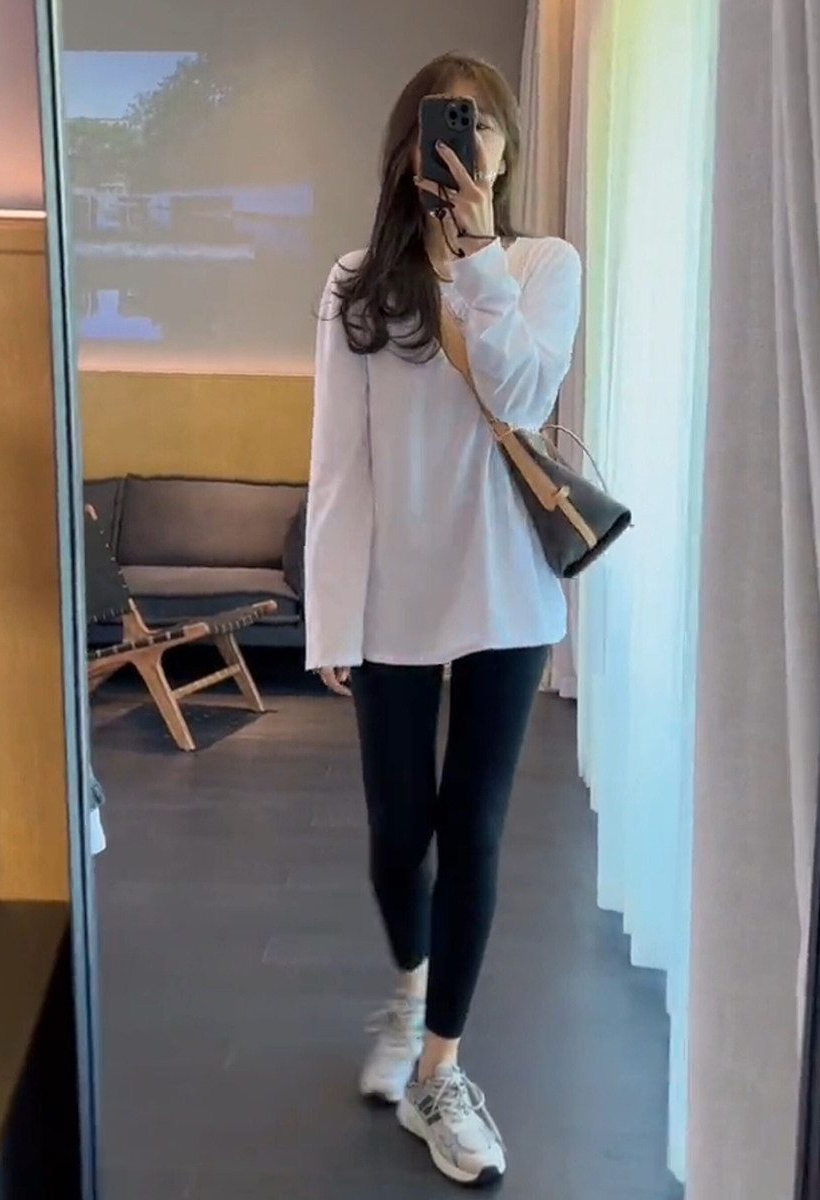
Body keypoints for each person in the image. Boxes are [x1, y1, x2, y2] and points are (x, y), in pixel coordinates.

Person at [304, 50, 582, 1187]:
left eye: (484, 127)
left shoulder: (540, 265)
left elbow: (522, 394)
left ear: (503, 152)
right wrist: (331, 619)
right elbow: (339, 461)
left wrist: (478, 263)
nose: (469, 146)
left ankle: (441, 1070)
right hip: (391, 597)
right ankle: (411, 986)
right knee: (395, 832)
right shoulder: (357, 282)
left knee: (473, 829)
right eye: (447, 126)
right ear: (409, 148)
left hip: (505, 591)